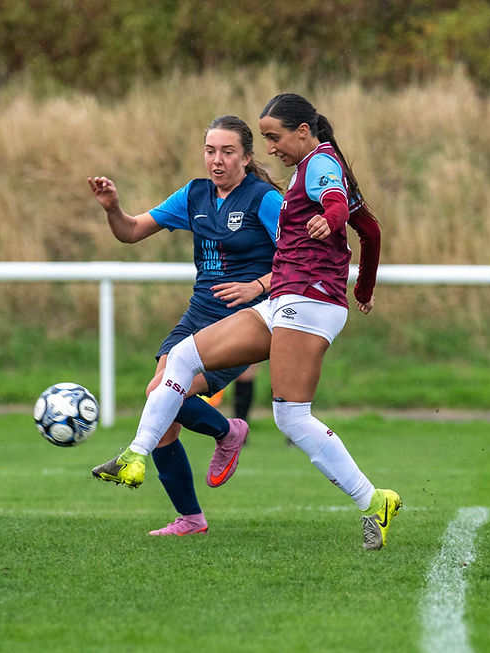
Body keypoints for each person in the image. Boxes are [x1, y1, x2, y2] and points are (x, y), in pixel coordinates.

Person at [92, 93, 402, 551]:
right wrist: (364, 287)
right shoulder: (306, 169)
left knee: (292, 418)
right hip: (285, 299)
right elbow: (370, 230)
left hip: (308, 299)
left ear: (301, 131)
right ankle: (135, 456)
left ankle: (374, 499)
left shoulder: (318, 164)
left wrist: (330, 221)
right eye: (210, 150)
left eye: (273, 138)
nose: (271, 147)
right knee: (181, 358)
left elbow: (336, 204)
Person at [88, 114, 282, 536]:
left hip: (244, 320)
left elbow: (299, 258)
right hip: (198, 313)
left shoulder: (264, 199)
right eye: (210, 151)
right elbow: (131, 231)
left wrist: (257, 286)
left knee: (160, 395)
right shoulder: (195, 195)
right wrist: (114, 209)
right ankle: (191, 517)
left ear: (247, 157)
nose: (217, 160)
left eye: (227, 151)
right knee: (162, 413)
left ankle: (227, 432)